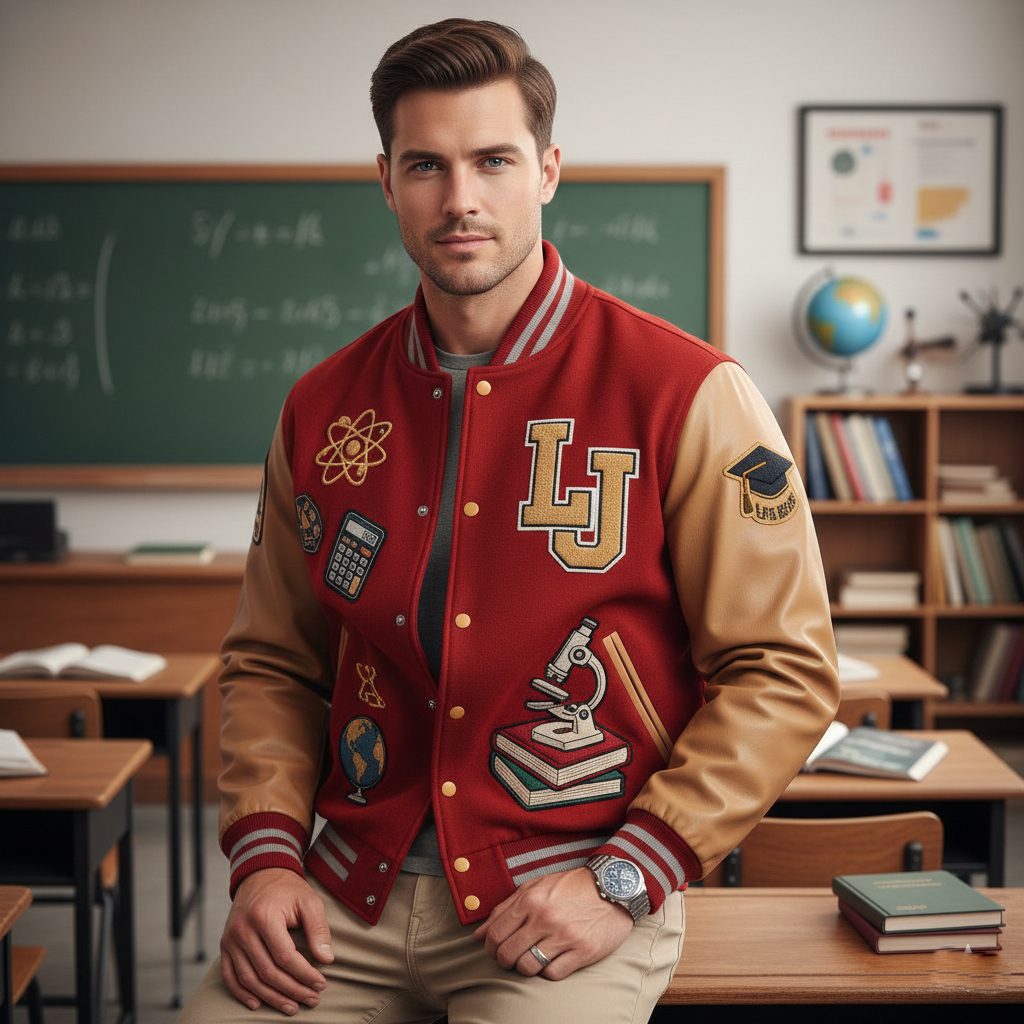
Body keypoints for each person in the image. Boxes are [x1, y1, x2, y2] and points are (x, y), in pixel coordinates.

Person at [178, 17, 839, 1024]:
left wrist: (628, 875)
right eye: (425, 167)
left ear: (548, 169)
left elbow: (781, 668)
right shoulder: (320, 406)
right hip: (340, 894)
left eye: (493, 159)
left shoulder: (690, 390)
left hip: (569, 889)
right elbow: (274, 661)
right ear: (386, 181)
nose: (460, 200)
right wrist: (265, 860)